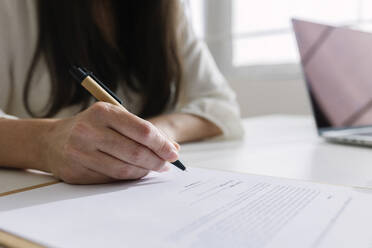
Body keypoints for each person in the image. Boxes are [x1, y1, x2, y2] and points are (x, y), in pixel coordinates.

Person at [0, 0, 243, 184]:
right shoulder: (12, 10)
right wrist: (46, 142)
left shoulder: (168, 10)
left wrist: (152, 134)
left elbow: (222, 106)